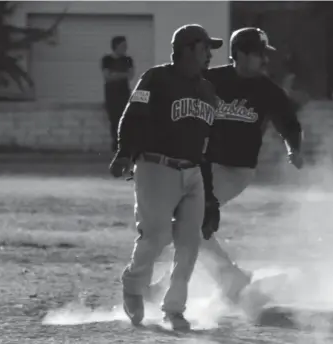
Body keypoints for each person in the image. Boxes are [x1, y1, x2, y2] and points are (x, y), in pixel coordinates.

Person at [148, 27, 304, 307]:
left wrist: (294, 148)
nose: (265, 62)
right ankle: (211, 282)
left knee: (188, 220)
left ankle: (221, 281)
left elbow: (289, 123)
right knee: (187, 223)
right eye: (259, 55)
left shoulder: (267, 90)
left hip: (235, 171)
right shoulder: (211, 79)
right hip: (202, 167)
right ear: (240, 54)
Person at [109, 24, 223, 331]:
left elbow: (207, 147)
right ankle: (134, 285)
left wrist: (210, 197)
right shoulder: (156, 78)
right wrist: (124, 152)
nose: (210, 55)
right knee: (156, 236)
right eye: (204, 48)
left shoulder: (207, 90)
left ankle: (174, 309)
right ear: (187, 49)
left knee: (189, 244)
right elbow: (132, 115)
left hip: (193, 172)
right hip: (155, 167)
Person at [101, 36, 134, 152]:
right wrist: (122, 75)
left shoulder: (128, 60)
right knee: (114, 120)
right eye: (123, 46)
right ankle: (116, 146)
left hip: (124, 93)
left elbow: (130, 75)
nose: (125, 48)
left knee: (125, 119)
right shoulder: (107, 60)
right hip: (111, 95)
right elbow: (107, 76)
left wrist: (115, 75)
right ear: (116, 46)